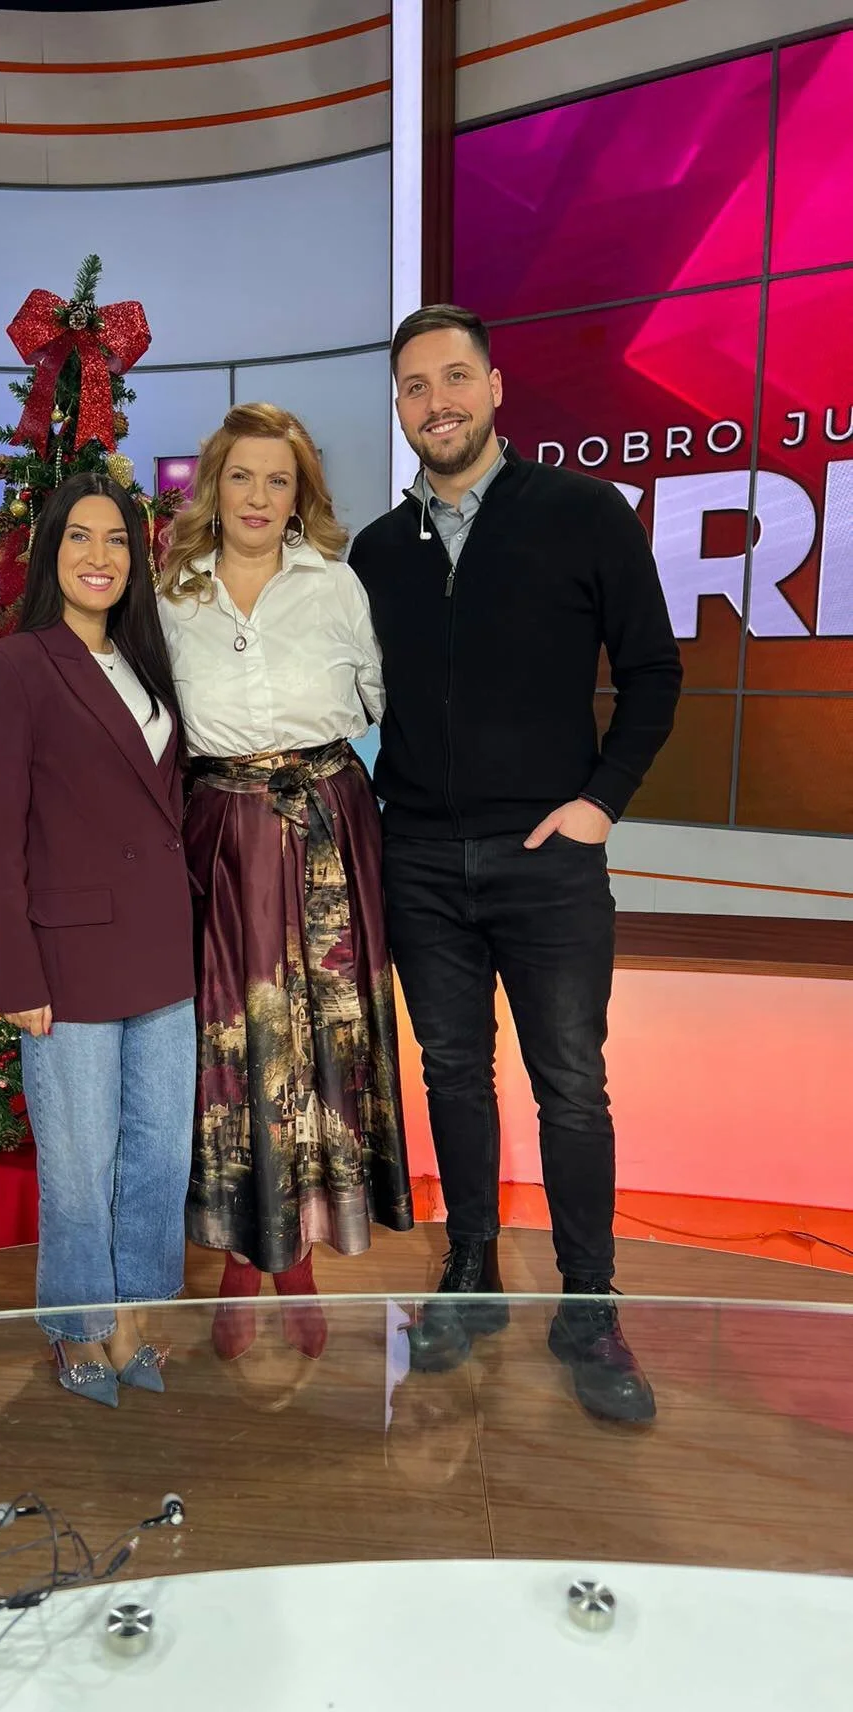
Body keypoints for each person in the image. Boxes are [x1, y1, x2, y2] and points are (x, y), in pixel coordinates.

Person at [349, 305, 682, 1425]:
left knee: (572, 1085)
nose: (435, 401)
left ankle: (588, 1307)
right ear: (400, 408)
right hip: (420, 860)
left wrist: (601, 803)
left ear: (495, 388)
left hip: (550, 862)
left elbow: (654, 673)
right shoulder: (376, 552)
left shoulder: (583, 512)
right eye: (414, 386)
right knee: (452, 1073)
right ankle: (472, 1273)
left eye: (455, 377)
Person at [159, 402, 414, 1363]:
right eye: (241, 476)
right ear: (213, 488)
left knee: (323, 1039)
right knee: (234, 1044)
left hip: (330, 829)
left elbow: (386, 701)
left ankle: (299, 1255)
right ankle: (242, 1254)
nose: (259, 497)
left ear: (301, 494)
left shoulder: (337, 586)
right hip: (220, 836)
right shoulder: (170, 596)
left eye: (279, 479)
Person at [0, 472, 195, 1408]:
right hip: (68, 960)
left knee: (160, 1156)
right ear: (49, 552)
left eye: (117, 540)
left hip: (164, 948)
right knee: (77, 1166)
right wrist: (17, 971)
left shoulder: (149, 659)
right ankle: (77, 1328)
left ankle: (134, 1315)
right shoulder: (13, 665)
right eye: (80, 538)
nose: (100, 557)